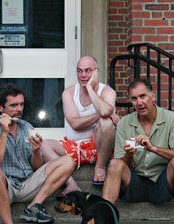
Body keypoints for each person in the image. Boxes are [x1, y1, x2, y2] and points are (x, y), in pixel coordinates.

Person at [102, 79, 174, 224]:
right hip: (135, 183)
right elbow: (122, 166)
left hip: (161, 184)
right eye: (134, 99)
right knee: (114, 164)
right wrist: (128, 155)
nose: (139, 102)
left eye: (143, 96)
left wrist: (153, 148)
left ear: (152, 96)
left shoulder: (170, 118)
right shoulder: (125, 123)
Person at [0, 83, 76, 224]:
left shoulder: (26, 127)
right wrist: (4, 133)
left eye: (21, 104)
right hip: (3, 187)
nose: (19, 109)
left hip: (26, 184)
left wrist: (37, 152)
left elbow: (34, 167)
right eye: (13, 105)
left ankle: (34, 206)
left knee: (68, 161)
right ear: (0, 107)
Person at [41, 56, 119, 195]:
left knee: (106, 123)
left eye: (88, 71)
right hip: (74, 148)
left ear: (96, 72)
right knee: (44, 145)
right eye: (79, 71)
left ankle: (100, 167)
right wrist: (100, 115)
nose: (83, 75)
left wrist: (90, 88)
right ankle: (71, 184)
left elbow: (106, 110)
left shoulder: (107, 91)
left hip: (98, 147)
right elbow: (75, 124)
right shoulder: (69, 93)